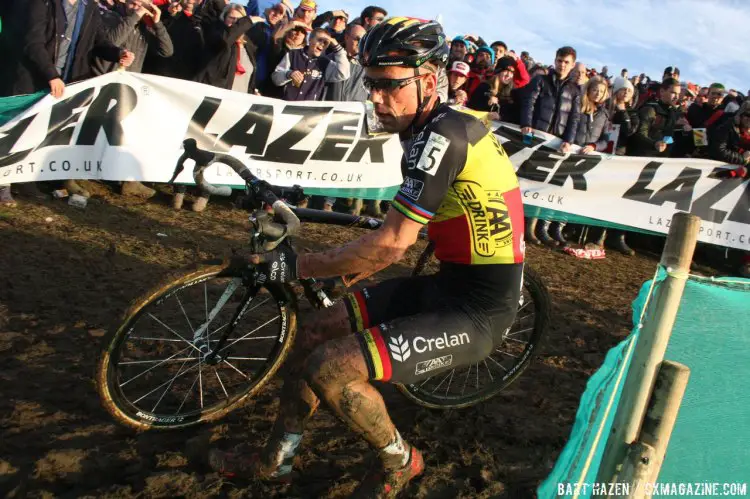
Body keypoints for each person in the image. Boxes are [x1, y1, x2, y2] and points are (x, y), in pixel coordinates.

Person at [207, 17, 525, 497]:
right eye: (371, 84)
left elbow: (393, 244)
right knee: (312, 331)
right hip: (445, 284)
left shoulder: (442, 136)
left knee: (330, 367)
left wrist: (290, 266)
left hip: (479, 310)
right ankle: (277, 460)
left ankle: (401, 459)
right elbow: (402, 237)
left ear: (427, 79)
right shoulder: (433, 124)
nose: (376, 98)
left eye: (389, 86)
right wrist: (352, 266)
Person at [520, 46, 582, 246]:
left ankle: (533, 227)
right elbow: (530, 102)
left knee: (545, 185)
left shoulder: (575, 90)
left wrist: (569, 140)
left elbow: (574, 118)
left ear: (572, 65)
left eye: (566, 62)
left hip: (557, 142)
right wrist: (526, 124)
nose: (562, 65)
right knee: (526, 180)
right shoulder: (541, 80)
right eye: (559, 61)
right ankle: (520, 225)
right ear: (555, 61)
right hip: (537, 137)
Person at [322, 22, 371, 216]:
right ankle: (304, 196)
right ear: (346, 38)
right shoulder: (331, 59)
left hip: (353, 121)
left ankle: (329, 202)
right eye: (356, 38)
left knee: (340, 162)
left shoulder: (368, 67)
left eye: (363, 40)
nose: (359, 43)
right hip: (327, 116)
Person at [196, 4, 260, 96]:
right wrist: (248, 21)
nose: (235, 22)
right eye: (231, 18)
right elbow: (226, 40)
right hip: (216, 98)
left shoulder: (248, 46)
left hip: (239, 102)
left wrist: (253, 92)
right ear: (224, 18)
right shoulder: (216, 36)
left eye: (239, 20)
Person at [272, 27, 350, 101]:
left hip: (311, 112)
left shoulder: (325, 63)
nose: (322, 44)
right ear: (310, 39)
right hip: (287, 106)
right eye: (320, 40)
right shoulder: (293, 54)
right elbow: (275, 79)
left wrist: (338, 48)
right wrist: (288, 74)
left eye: (325, 42)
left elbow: (344, 74)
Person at [628, 77, 685, 158]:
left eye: (678, 94)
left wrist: (684, 131)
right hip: (641, 159)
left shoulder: (673, 112)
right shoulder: (650, 109)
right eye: (673, 93)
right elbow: (639, 135)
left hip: (662, 160)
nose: (677, 97)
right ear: (662, 91)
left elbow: (669, 136)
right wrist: (654, 144)